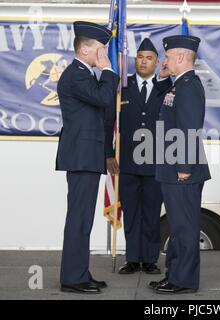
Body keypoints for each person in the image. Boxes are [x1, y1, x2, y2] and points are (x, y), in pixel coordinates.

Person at [56, 21, 119, 294]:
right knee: (79, 219)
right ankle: (72, 278)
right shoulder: (77, 75)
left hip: (87, 156)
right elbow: (105, 98)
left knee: (82, 220)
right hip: (81, 157)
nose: (103, 54)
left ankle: (80, 272)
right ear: (84, 49)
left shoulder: (83, 74)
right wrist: (108, 69)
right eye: (100, 49)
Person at [149, 35, 211, 294]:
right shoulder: (178, 85)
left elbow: (189, 128)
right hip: (171, 167)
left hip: (182, 169)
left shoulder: (189, 86)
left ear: (183, 57)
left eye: (168, 56)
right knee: (176, 226)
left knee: (184, 227)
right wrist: (164, 77)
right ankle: (174, 274)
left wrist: (184, 165)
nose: (164, 60)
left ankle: (184, 280)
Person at [105, 38, 172, 275]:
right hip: (128, 163)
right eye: (140, 57)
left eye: (149, 58)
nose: (144, 61)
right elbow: (109, 121)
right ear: (135, 60)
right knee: (132, 212)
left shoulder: (167, 87)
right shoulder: (122, 86)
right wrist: (108, 153)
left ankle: (150, 260)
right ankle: (133, 258)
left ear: (157, 62)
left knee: (152, 213)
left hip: (156, 164)